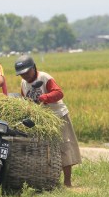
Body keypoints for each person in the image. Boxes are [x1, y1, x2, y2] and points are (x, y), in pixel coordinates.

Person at [15, 55, 81, 187]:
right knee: (45, 149)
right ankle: (49, 180)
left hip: (58, 116)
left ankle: (67, 182)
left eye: (27, 72)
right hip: (42, 120)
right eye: (22, 74)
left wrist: (44, 97)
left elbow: (59, 93)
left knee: (64, 147)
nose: (25, 76)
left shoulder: (44, 78)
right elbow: (25, 100)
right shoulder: (23, 84)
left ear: (34, 68)